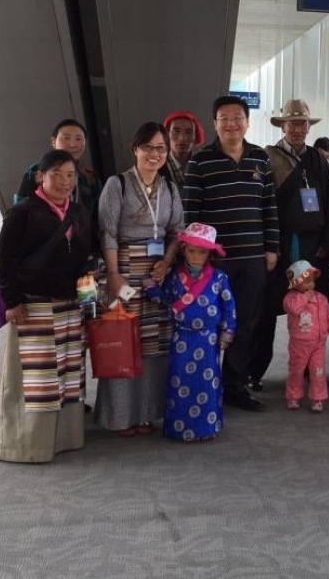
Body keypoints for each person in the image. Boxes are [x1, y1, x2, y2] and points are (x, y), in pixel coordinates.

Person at [0, 149, 92, 462]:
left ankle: (65, 439)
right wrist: (12, 301)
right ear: (40, 176)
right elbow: (3, 259)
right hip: (33, 306)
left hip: (70, 306)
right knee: (34, 379)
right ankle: (26, 445)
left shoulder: (79, 212)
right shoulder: (22, 212)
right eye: (56, 174)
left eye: (70, 175)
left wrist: (89, 298)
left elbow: (86, 258)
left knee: (67, 374)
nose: (64, 181)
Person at [183, 96, 279, 412]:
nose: (231, 123)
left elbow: (269, 206)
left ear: (247, 122)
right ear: (214, 124)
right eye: (224, 118)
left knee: (245, 323)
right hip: (214, 261)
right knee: (209, 322)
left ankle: (235, 387)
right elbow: (190, 214)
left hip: (253, 258)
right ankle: (207, 383)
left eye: (237, 117)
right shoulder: (200, 161)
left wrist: (271, 248)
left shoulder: (260, 158)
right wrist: (195, 257)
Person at [96, 122, 184, 436]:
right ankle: (120, 416)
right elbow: (107, 232)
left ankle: (146, 413)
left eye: (161, 148)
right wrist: (113, 275)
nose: (154, 154)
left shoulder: (170, 188)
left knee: (154, 342)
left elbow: (177, 231)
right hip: (124, 269)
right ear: (135, 149)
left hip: (157, 274)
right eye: (148, 147)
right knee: (123, 340)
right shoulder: (117, 184)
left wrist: (168, 261)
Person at [248, 100, 329, 392]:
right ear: (283, 126)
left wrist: (328, 241)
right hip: (279, 244)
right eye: (292, 123)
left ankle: (309, 366)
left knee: (311, 307)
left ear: (309, 127)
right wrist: (267, 243)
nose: (298, 129)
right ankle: (253, 371)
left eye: (303, 123)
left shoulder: (317, 159)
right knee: (265, 311)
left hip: (313, 246)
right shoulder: (267, 157)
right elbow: (260, 203)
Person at [160, 223, 236, 442]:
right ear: (183, 250)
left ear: (210, 254)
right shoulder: (175, 275)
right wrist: (150, 288)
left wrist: (227, 332)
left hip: (208, 339)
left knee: (207, 383)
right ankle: (179, 428)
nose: (195, 257)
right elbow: (166, 297)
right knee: (179, 380)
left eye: (202, 252)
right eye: (191, 251)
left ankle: (206, 428)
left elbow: (229, 306)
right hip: (182, 337)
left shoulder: (219, 278)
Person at [14, 118, 102, 251]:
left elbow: (98, 215)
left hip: (81, 248)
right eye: (66, 138)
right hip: (43, 247)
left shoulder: (90, 177)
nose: (73, 144)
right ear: (53, 141)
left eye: (79, 139)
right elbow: (19, 212)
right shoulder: (36, 172)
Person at [283, 260, 329, 412]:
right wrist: (305, 297)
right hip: (299, 343)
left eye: (312, 280)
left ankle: (317, 398)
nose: (310, 284)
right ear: (296, 283)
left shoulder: (321, 298)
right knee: (296, 371)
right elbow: (295, 309)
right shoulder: (290, 298)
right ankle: (293, 396)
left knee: (318, 371)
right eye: (306, 281)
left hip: (318, 343)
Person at [162, 111, 205, 188]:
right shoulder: (157, 166)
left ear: (195, 136)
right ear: (167, 135)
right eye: (176, 131)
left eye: (189, 132)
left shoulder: (203, 165)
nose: (182, 138)